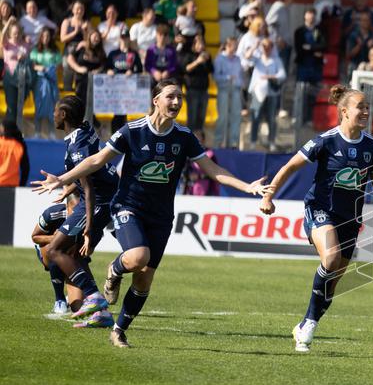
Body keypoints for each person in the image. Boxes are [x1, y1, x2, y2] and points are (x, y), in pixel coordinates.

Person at [32, 80, 272, 349]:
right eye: (171, 96)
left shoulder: (183, 136)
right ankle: (114, 270)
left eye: (180, 97)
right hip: (128, 207)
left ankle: (119, 330)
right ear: (156, 100)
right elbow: (96, 160)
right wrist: (62, 179)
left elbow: (212, 170)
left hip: (161, 217)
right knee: (138, 256)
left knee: (144, 279)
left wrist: (247, 186)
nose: (177, 102)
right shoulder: (132, 131)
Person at [261, 85, 373, 352]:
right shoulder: (325, 141)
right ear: (344, 111)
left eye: (367, 107)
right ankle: (308, 325)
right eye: (360, 107)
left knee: (332, 284)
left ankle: (307, 322)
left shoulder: (372, 147)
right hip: (320, 210)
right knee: (330, 259)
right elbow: (289, 166)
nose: (366, 111)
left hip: (351, 219)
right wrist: (268, 196)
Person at [34, 95, 118, 327]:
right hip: (103, 194)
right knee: (75, 255)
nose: (53, 115)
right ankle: (100, 314)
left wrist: (89, 227)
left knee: (52, 250)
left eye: (55, 111)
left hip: (97, 200)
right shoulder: (85, 129)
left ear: (63, 115)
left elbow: (89, 189)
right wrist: (70, 186)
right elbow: (89, 171)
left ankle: (95, 298)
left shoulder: (76, 145)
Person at [249, 38, 286, 152]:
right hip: (258, 92)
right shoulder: (257, 59)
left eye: (269, 47)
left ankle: (271, 141)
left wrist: (270, 77)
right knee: (256, 116)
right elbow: (247, 57)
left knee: (271, 117)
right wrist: (255, 46)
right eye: (264, 47)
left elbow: (282, 75)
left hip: (271, 93)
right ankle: (253, 141)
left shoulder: (276, 60)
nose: (266, 49)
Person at [213, 37, 243, 149]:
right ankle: (218, 142)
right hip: (223, 89)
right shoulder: (220, 58)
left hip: (235, 89)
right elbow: (216, 76)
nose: (234, 48)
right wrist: (227, 78)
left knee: (236, 116)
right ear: (227, 45)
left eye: (235, 45)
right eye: (232, 45)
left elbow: (240, 76)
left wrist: (238, 83)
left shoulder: (238, 59)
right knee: (223, 117)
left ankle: (233, 143)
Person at [30, 27, 60, 138]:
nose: (46, 38)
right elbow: (32, 65)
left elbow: (58, 65)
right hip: (40, 82)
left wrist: (50, 69)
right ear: (41, 37)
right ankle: (37, 132)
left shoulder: (55, 50)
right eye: (44, 36)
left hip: (52, 81)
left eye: (48, 36)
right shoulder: (35, 50)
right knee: (39, 106)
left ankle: (52, 133)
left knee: (52, 107)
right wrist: (40, 68)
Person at [2, 19, 33, 125]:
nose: (16, 35)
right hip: (9, 77)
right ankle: (9, 130)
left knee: (18, 106)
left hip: (22, 79)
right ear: (10, 34)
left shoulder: (25, 44)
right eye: (14, 33)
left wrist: (24, 56)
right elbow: (2, 36)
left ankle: (14, 129)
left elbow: (31, 57)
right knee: (11, 105)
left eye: (18, 33)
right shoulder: (7, 43)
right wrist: (8, 23)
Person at [0, 120, 29, 186]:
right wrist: (22, 185)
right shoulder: (20, 145)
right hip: (13, 183)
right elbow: (25, 168)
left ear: (5, 129)